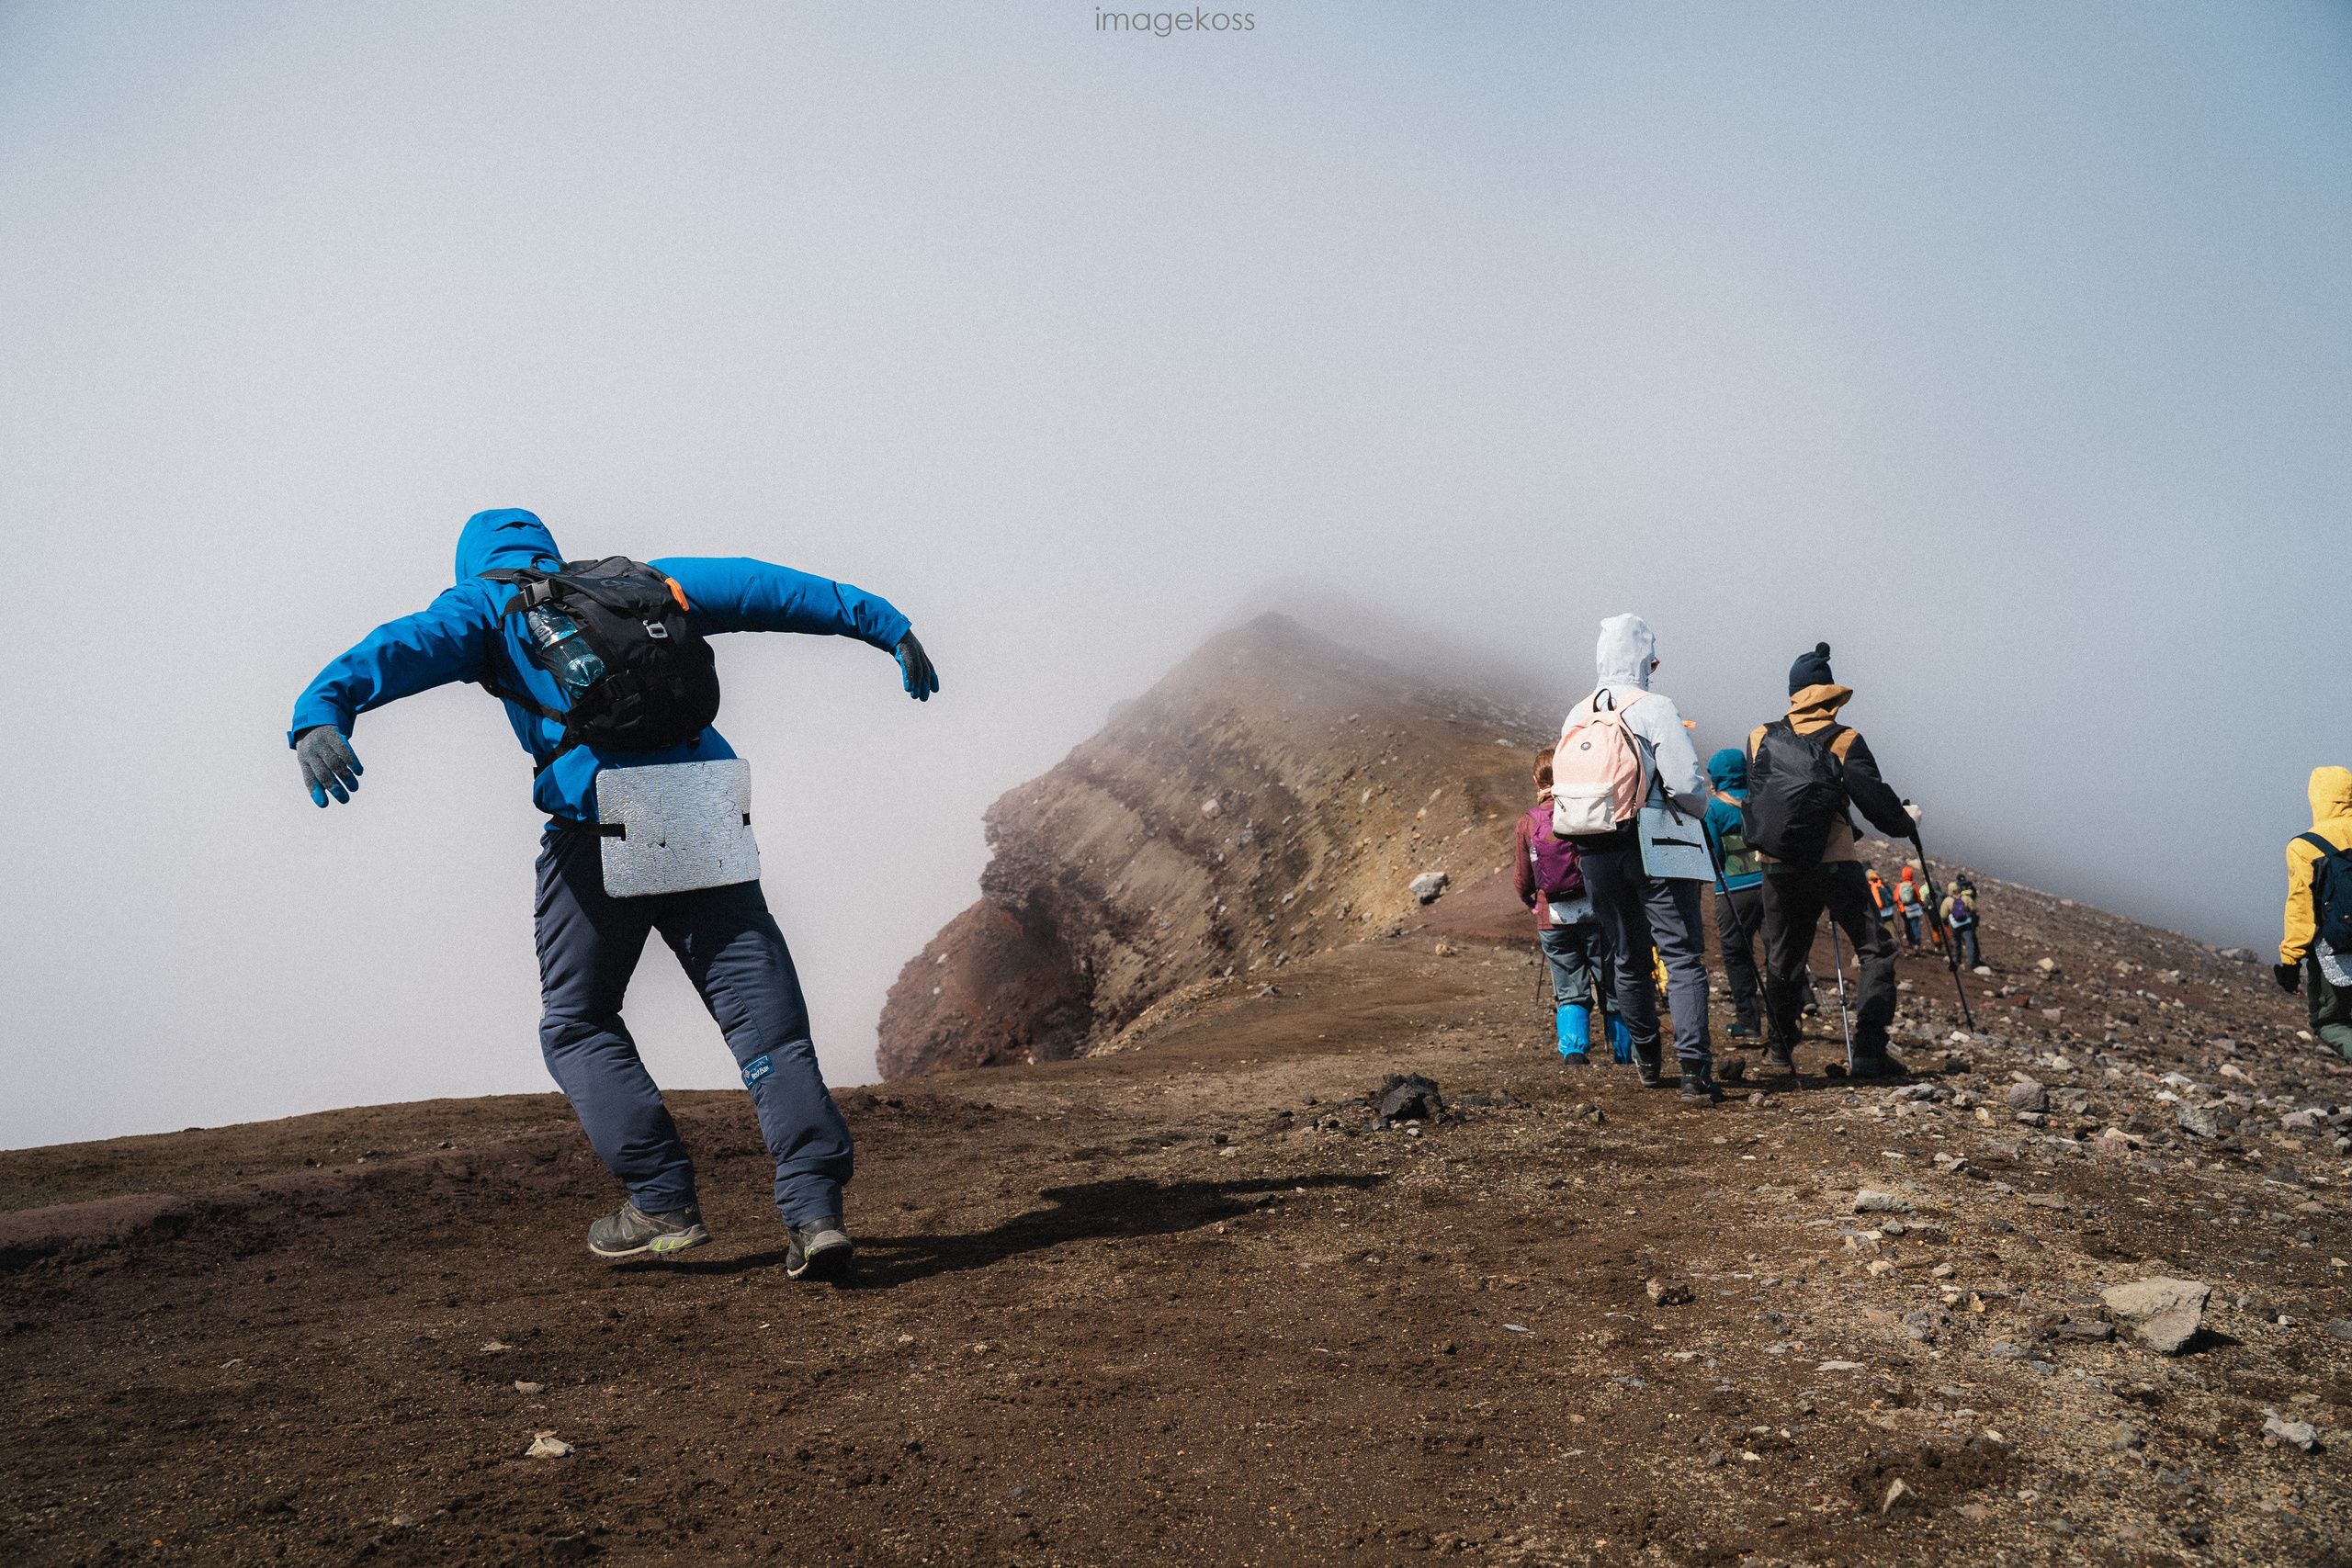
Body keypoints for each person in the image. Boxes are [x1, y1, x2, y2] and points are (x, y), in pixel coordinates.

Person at [288, 509, 938, 1280]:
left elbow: (399, 647)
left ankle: (662, 1202)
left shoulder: (485, 604)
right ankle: (816, 1209)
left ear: (471, 564)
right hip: (701, 802)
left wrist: (320, 713)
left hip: (601, 816)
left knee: (579, 1021)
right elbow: (768, 587)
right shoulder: (644, 584)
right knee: (768, 1026)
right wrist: (886, 625)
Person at [1554, 615, 1721, 1101]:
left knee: (1627, 955)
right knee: (1680, 954)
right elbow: (1686, 786)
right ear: (1645, 660)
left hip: (1594, 849)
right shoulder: (1655, 707)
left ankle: (1647, 1060)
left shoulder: (1576, 713)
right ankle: (1693, 1071)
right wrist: (1699, 809)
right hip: (1656, 842)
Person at [1745, 642, 1919, 1077]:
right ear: (1829, 695)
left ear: (1793, 694)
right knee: (1876, 949)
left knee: (1783, 957)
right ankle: (1869, 1050)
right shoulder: (1845, 739)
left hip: (1777, 864)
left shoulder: (1759, 737)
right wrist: (1907, 821)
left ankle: (1781, 1050)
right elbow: (1877, 805)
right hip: (1834, 861)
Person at [1514, 746, 1622, 1065]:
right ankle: (1626, 1054)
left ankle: (1574, 1053)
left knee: (1569, 988)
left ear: (1536, 780)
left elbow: (1522, 880)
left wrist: (1533, 904)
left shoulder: (1527, 823)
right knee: (1613, 985)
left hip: (1552, 917)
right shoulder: (1585, 811)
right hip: (1596, 912)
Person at [2276, 766, 2352, 1062]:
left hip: (2336, 951)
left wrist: (2291, 961)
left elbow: (2301, 906)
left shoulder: (2305, 846)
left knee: (2328, 1022)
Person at [1701, 748, 1765, 1040]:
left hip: (1733, 890)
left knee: (1737, 955)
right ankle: (1789, 1017)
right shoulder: (1760, 798)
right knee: (1779, 949)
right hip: (1769, 884)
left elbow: (1714, 853)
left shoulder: (1714, 808)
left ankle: (1748, 1022)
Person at [1944, 884, 1982, 970]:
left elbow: (1943, 914)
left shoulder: (1948, 900)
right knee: (1969, 942)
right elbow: (1973, 909)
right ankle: (1971, 962)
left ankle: (1958, 959)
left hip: (1955, 925)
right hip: (1966, 923)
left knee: (1956, 941)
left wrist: (1948, 919)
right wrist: (1969, 915)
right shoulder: (1966, 898)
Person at [1894, 865, 1926, 949]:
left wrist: (1901, 906)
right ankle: (1916, 942)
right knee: (1914, 925)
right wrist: (1922, 904)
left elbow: (1896, 898)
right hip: (1914, 908)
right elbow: (1918, 897)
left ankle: (1910, 941)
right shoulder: (1913, 885)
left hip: (1904, 909)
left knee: (1907, 925)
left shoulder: (1899, 885)